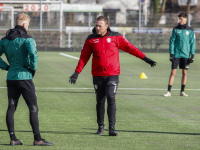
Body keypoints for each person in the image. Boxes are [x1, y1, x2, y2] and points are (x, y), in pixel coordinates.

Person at [69, 16, 156, 136]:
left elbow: (131, 48)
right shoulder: (91, 39)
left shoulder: (116, 37)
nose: (97, 28)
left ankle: (112, 128)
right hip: (98, 75)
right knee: (100, 101)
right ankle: (100, 127)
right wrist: (76, 72)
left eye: (100, 26)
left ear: (106, 26)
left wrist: (145, 58)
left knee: (111, 97)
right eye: (96, 25)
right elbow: (84, 57)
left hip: (112, 74)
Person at [0, 13, 54, 146]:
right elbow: (33, 55)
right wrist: (32, 69)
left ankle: (13, 139)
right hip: (25, 77)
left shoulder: (5, 40)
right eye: (28, 25)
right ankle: (38, 139)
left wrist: (6, 67)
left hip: (11, 77)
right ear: (24, 24)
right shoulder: (28, 39)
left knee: (11, 107)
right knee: (33, 107)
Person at [164, 13, 196, 97]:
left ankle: (182, 91)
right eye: (179, 19)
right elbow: (172, 42)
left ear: (186, 19)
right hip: (176, 54)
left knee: (184, 72)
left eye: (181, 19)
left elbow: (192, 43)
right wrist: (171, 54)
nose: (180, 20)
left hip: (185, 55)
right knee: (173, 72)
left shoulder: (190, 30)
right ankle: (168, 91)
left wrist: (192, 55)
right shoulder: (175, 29)